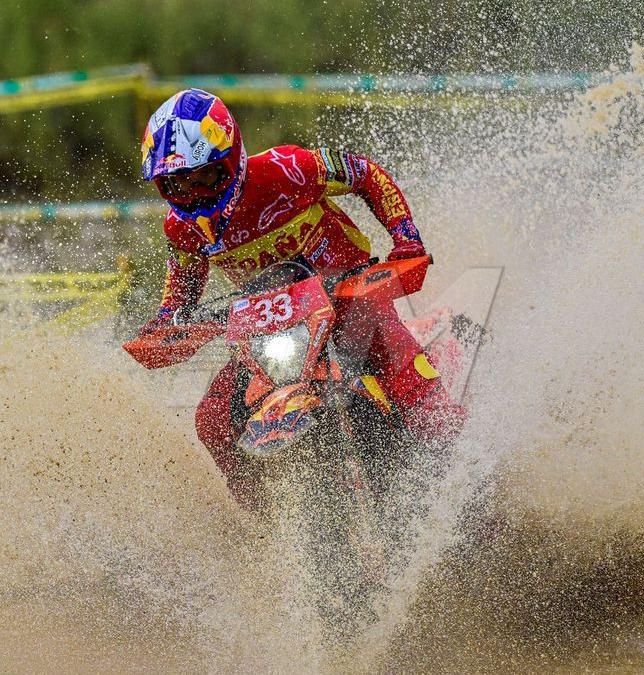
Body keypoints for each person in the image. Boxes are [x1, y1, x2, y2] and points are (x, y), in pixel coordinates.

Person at [137, 88, 464, 502]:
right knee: (212, 420)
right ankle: (262, 517)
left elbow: (364, 173)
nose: (194, 193)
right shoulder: (181, 228)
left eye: (203, 176)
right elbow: (181, 284)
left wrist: (406, 238)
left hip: (352, 302)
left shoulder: (289, 168)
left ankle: (467, 479)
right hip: (270, 327)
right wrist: (167, 320)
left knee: (417, 390)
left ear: (230, 158)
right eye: (177, 183)